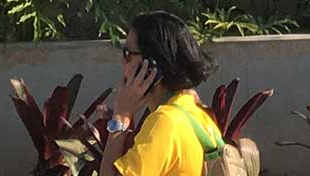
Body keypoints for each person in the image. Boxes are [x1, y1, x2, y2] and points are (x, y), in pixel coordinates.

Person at [98, 11, 240, 176]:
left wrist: (120, 117)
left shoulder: (165, 122)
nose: (123, 61)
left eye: (128, 53)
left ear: (152, 67)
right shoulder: (196, 115)